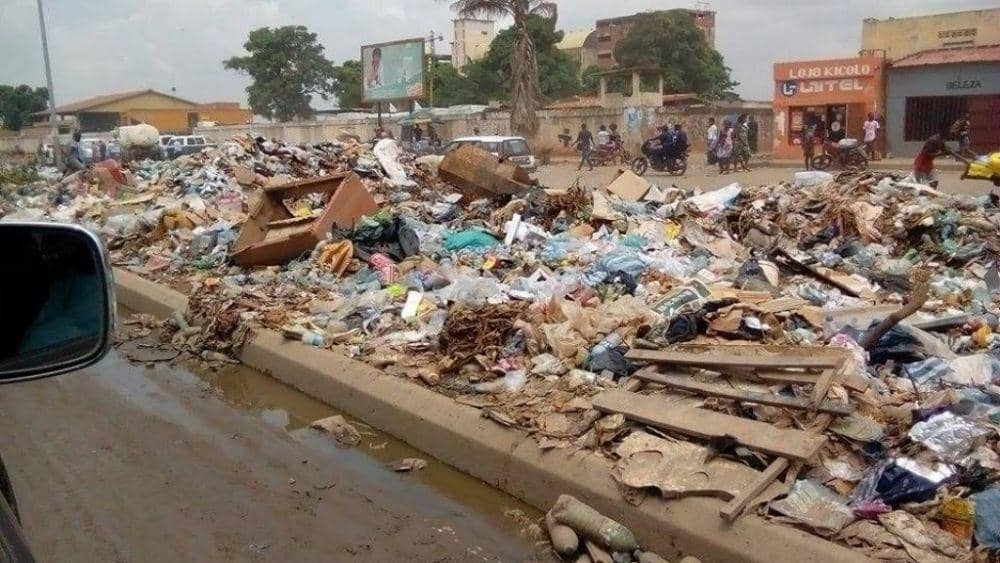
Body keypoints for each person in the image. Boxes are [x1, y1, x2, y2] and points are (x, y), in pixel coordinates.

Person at [912, 123, 954, 188]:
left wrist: (950, 151)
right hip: (921, 163)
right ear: (944, 131)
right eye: (949, 131)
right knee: (921, 186)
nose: (951, 132)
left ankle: (929, 196)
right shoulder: (933, 140)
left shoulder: (941, 139)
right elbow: (926, 153)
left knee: (934, 182)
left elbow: (944, 149)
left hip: (928, 163)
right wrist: (941, 154)